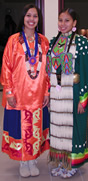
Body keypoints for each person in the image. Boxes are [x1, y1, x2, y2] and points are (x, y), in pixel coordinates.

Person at [46, 8, 88, 178]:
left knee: (74, 128)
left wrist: (82, 99)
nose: (63, 24)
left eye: (67, 20)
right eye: (60, 20)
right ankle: (62, 162)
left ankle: (72, 164)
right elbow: (48, 70)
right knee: (57, 128)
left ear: (74, 23)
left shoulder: (82, 42)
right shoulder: (53, 41)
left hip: (74, 91)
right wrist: (48, 92)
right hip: (57, 93)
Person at [1, 4, 50, 178]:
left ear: (39, 19)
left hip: (38, 94)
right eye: (28, 15)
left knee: (35, 128)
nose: (31, 19)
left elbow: (48, 69)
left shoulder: (44, 41)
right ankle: (23, 160)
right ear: (23, 17)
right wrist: (9, 93)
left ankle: (33, 160)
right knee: (21, 129)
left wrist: (47, 92)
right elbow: (6, 67)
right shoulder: (13, 40)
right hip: (18, 94)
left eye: (35, 16)